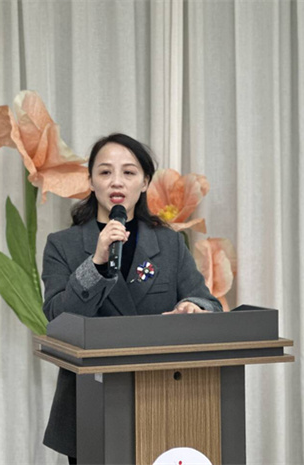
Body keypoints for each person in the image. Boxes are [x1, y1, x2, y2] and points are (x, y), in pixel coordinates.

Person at [41, 133, 222, 463]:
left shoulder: (168, 243)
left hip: (160, 398)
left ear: (145, 182)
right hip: (91, 402)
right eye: (105, 172)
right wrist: (96, 262)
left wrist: (193, 307)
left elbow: (209, 302)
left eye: (128, 172)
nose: (117, 182)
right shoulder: (62, 245)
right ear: (91, 181)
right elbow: (57, 318)